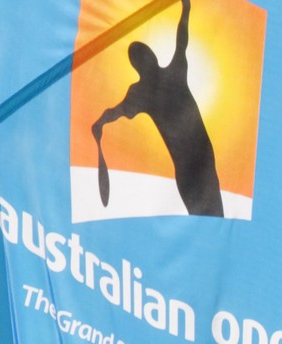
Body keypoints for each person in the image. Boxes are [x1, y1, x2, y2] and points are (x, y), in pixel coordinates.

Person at [92, 0, 223, 217]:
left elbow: (182, 37)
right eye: (143, 55)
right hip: (195, 162)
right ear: (144, 62)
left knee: (209, 216)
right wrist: (186, 9)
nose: (147, 57)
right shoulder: (160, 81)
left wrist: (100, 124)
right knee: (209, 216)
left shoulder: (143, 92)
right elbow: (182, 39)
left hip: (197, 161)